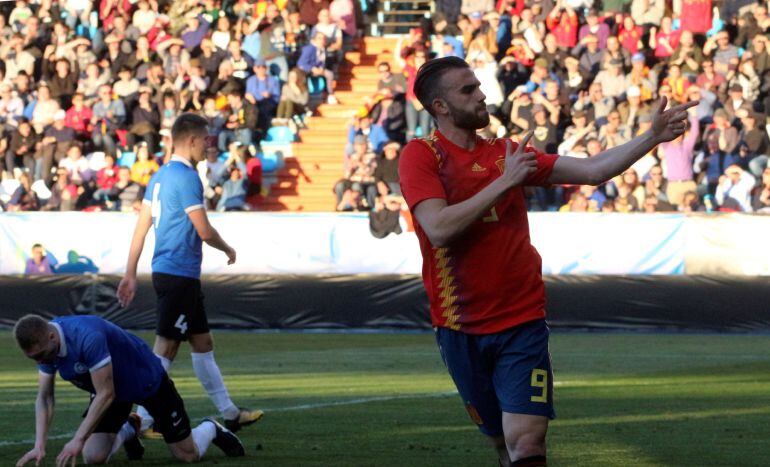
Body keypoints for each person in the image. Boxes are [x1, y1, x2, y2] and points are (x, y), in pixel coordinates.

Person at [398, 56, 696, 466]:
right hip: (459, 323)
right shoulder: (421, 155)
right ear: (440, 107)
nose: (482, 94)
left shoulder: (507, 154)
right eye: (467, 90)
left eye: (478, 85)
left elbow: (592, 170)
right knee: (503, 444)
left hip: (521, 319)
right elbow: (438, 228)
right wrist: (506, 182)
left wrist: (652, 137)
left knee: (526, 442)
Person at [118, 113, 263, 436]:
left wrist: (130, 273)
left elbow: (141, 229)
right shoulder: (187, 177)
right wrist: (227, 249)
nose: (209, 145)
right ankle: (139, 420)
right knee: (166, 348)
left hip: (171, 272)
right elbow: (203, 229)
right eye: (206, 140)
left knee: (202, 342)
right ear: (193, 140)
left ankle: (230, 413)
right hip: (178, 274)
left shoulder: (158, 177)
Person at [13, 314, 245, 467]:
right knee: (93, 457)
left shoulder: (86, 337)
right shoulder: (45, 345)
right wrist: (39, 444)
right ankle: (130, 427)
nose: (40, 362)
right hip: (110, 388)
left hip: (147, 382)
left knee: (187, 455)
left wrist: (77, 439)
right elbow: (44, 398)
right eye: (33, 358)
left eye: (41, 355)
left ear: (52, 337)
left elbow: (106, 393)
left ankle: (210, 427)